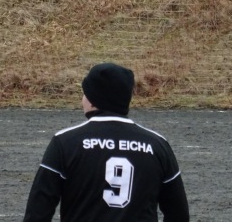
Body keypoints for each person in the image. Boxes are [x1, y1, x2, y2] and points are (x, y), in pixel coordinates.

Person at [24, 62, 190, 222]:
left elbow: (38, 211)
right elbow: (179, 214)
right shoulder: (157, 145)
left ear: (93, 99)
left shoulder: (64, 142)